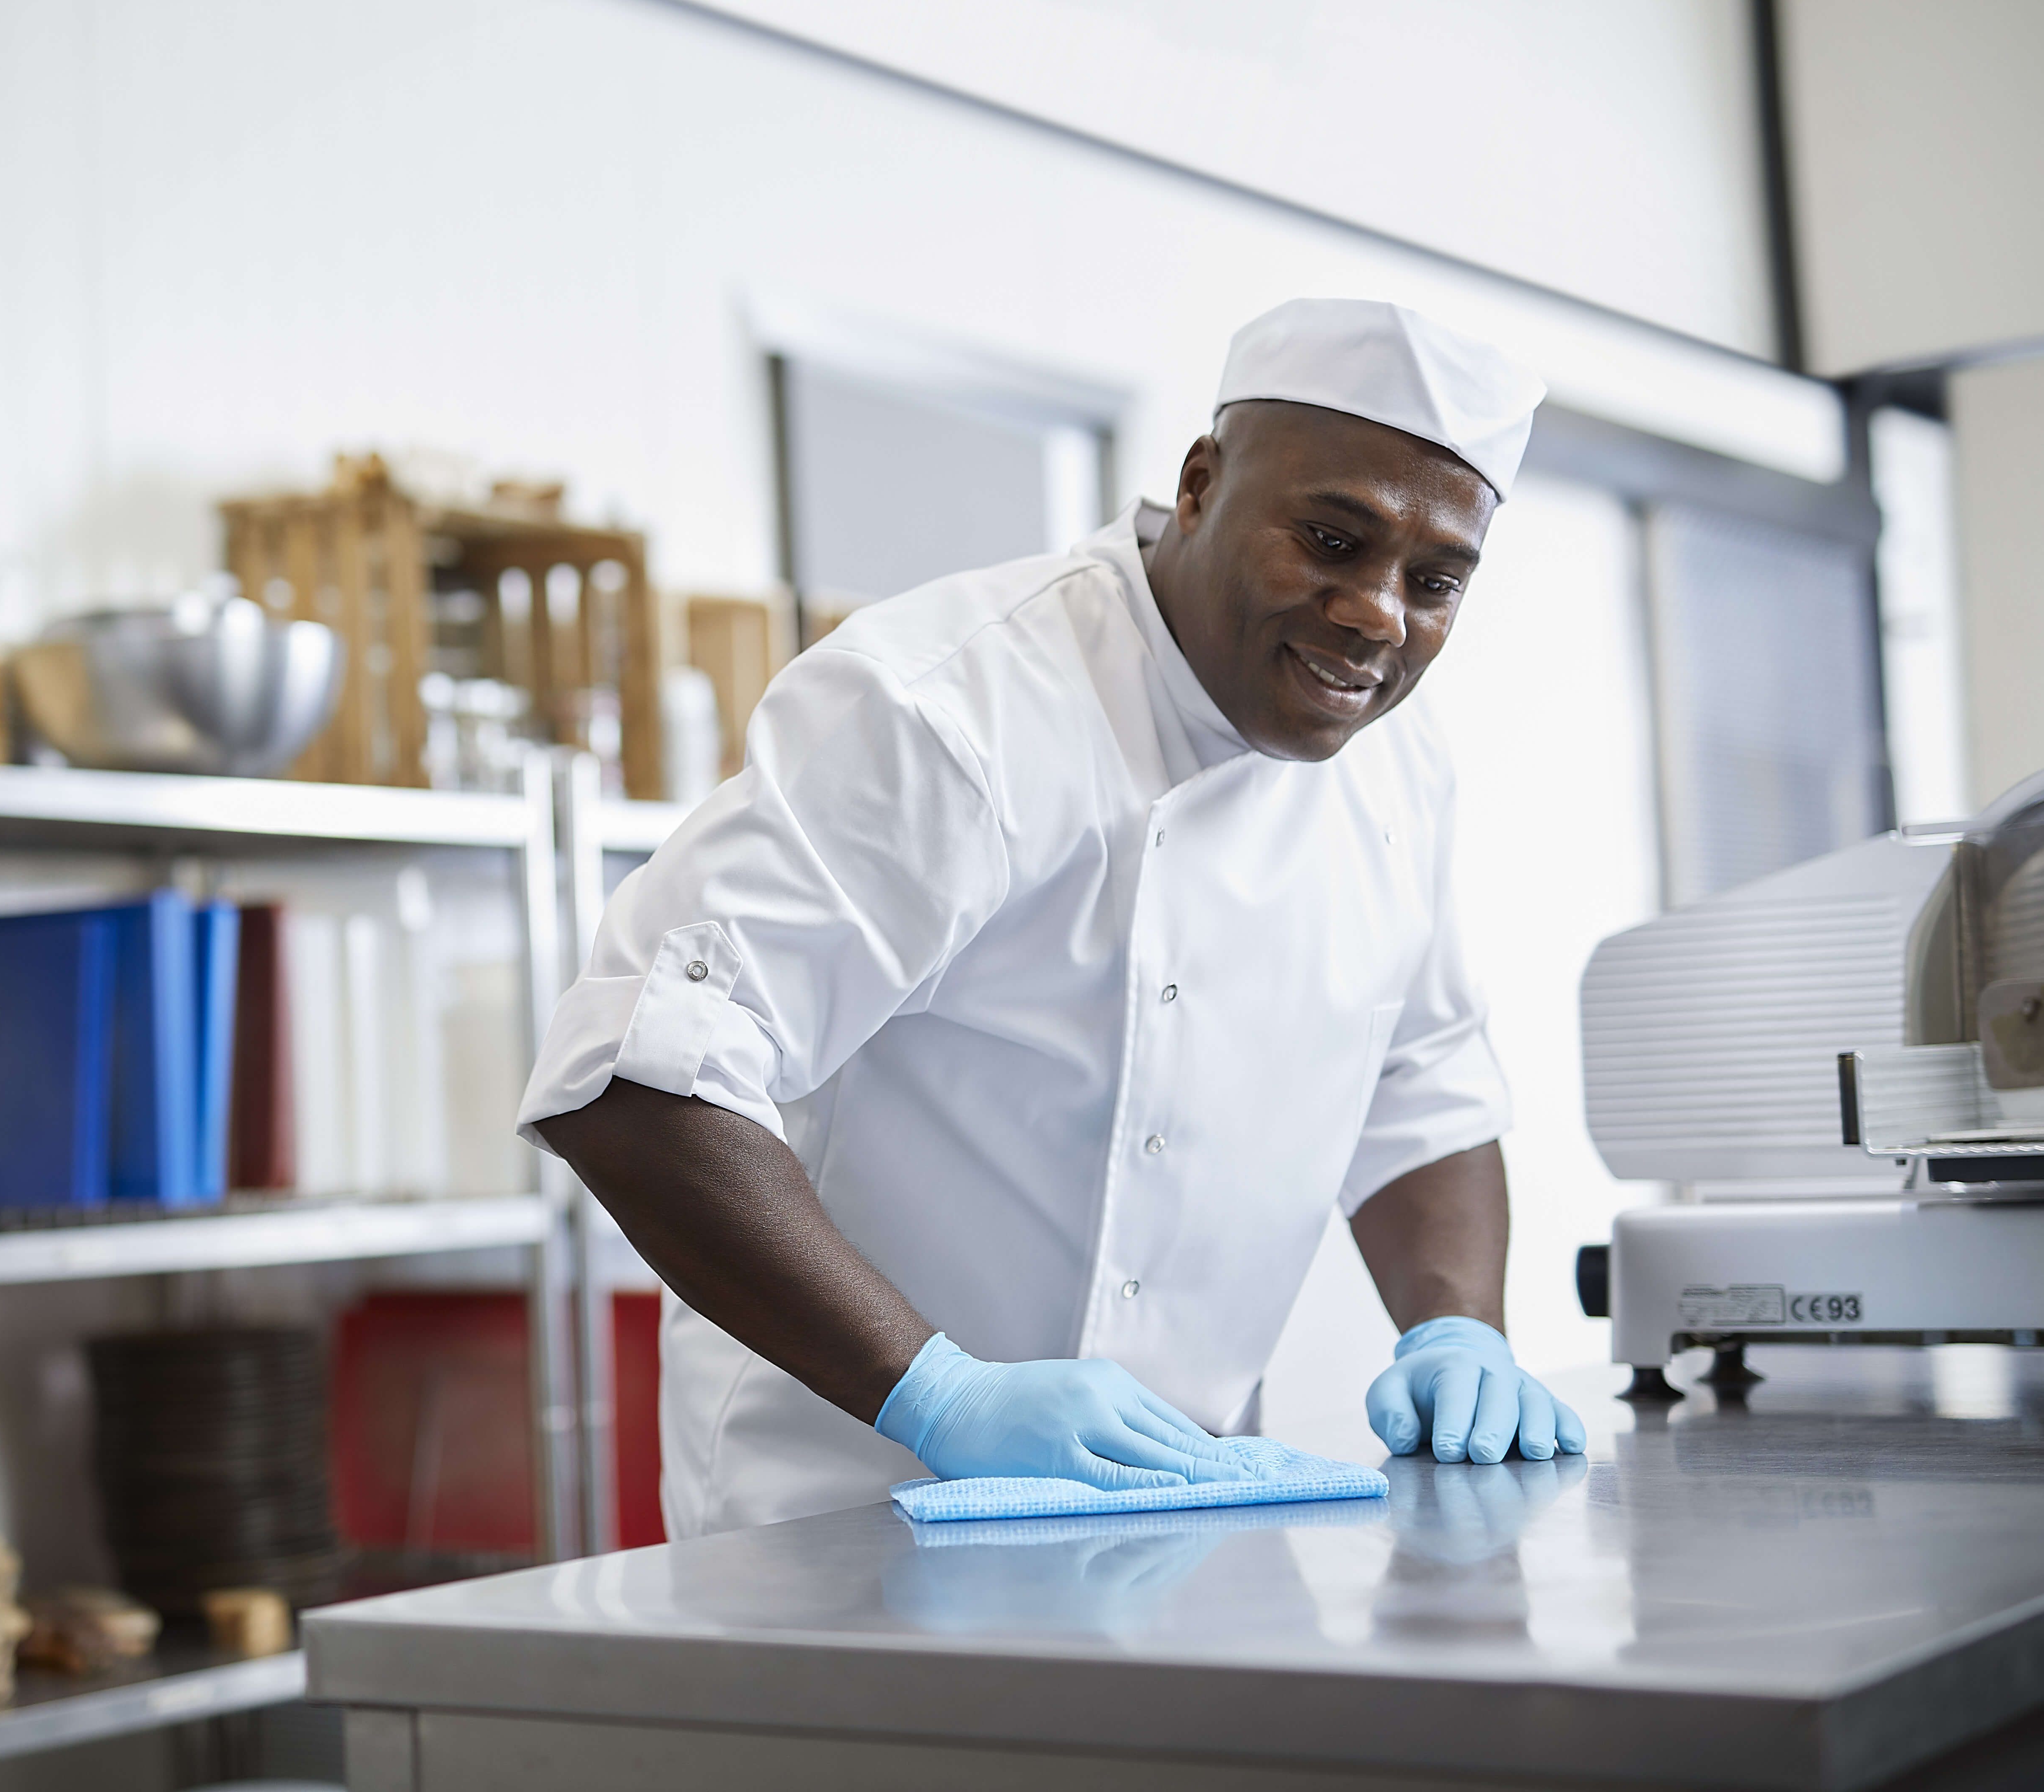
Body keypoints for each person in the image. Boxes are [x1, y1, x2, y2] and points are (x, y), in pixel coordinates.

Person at [523, 297, 1586, 1539]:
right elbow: (639, 1076)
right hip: (849, 1514)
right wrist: (942, 1393)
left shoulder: (1398, 775)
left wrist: (1457, 1327)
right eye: (1333, 539)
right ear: (1200, 485)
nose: (1377, 615)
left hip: (1179, 1513)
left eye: (1435, 581)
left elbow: (1423, 1077)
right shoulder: (950, 708)